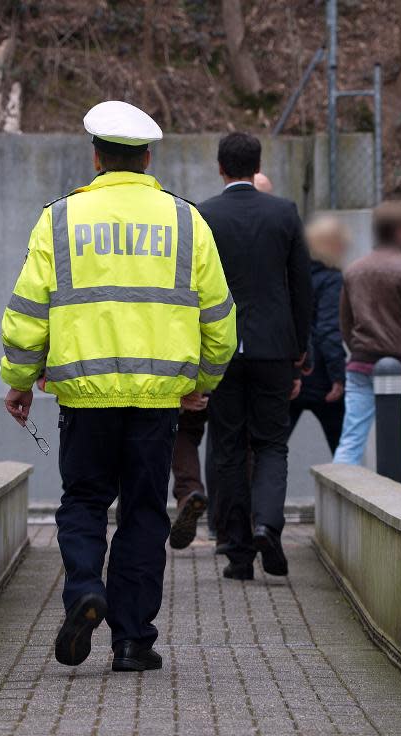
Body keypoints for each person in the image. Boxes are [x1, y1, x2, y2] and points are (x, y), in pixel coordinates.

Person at [0, 101, 236, 672]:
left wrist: (20, 380)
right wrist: (199, 383)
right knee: (144, 512)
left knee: (82, 501)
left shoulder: (58, 220)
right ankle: (133, 641)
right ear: (148, 157)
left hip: (83, 398)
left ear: (96, 157)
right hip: (157, 401)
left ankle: (86, 589)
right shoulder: (186, 221)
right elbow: (220, 321)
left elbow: (29, 312)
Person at [201, 133, 313, 580]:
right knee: (270, 444)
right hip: (273, 348)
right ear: (256, 165)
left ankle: (239, 553)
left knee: (227, 448)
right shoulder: (283, 213)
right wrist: (300, 348)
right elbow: (300, 285)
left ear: (221, 167)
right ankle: (268, 523)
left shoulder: (205, 214)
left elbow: (194, 290)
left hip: (223, 349)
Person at [169, 171, 275, 550]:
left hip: (197, 353)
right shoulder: (274, 225)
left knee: (185, 430)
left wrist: (196, 380)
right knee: (235, 441)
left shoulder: (202, 227)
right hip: (241, 353)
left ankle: (189, 493)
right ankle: (232, 527)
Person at [334, 200, 401, 494]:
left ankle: (339, 508)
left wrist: (359, 349)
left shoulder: (354, 270)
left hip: (360, 365)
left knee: (351, 439)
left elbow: (345, 322)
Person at [287, 215, 348, 454]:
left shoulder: (292, 273)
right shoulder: (332, 279)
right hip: (322, 374)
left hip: (293, 370)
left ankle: (258, 491)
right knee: (344, 449)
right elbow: (328, 329)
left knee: (271, 449)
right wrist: (338, 376)